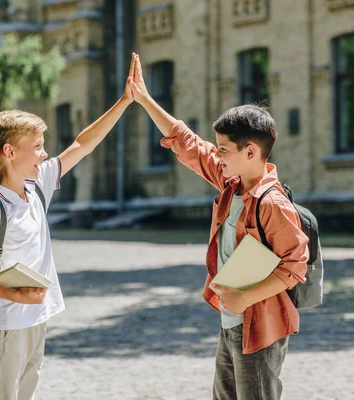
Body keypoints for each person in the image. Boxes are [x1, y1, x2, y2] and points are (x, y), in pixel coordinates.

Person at [0, 55, 137, 400]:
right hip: (6, 323)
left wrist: (124, 101)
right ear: (9, 151)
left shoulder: (37, 186)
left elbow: (82, 145)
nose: (43, 154)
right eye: (36, 147)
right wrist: (14, 295)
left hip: (36, 318)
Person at [127, 53, 308, 400]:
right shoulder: (231, 182)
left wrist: (244, 297)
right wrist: (146, 100)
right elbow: (188, 143)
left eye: (224, 149)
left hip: (260, 324)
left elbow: (295, 265)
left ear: (251, 152)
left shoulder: (271, 203)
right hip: (232, 322)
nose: (218, 155)